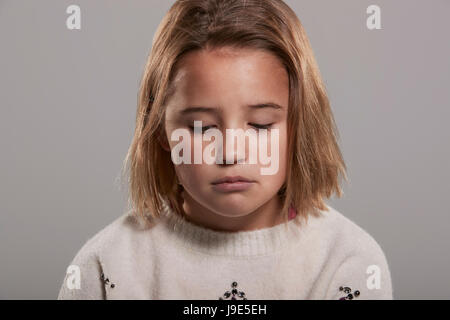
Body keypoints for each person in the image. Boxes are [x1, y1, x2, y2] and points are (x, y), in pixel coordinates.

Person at [57, 0, 393, 300]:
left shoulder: (348, 262)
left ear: (301, 125)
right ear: (160, 130)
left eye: (260, 124)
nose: (231, 152)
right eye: (201, 127)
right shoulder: (106, 267)